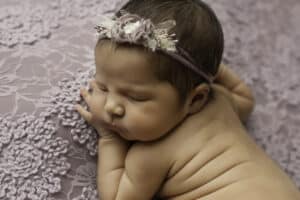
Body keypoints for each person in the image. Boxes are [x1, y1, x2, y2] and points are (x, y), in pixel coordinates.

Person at [75, 0, 300, 199]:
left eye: (136, 97)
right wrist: (199, 67)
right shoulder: (221, 101)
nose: (112, 107)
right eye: (103, 87)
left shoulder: (150, 154)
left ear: (195, 100)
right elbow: (245, 98)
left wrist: (108, 137)